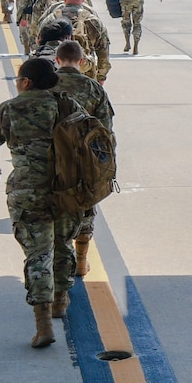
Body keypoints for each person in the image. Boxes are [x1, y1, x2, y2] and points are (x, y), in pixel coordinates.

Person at [0, 57, 89, 348]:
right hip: (67, 192)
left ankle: (44, 324)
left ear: (26, 82)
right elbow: (92, 139)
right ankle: (61, 299)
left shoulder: (10, 108)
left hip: (28, 193)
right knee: (62, 245)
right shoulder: (67, 105)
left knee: (38, 255)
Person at [48, 40, 114, 284]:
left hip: (51, 160)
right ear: (83, 62)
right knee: (85, 207)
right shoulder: (93, 89)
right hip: (83, 163)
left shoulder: (45, 86)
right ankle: (81, 260)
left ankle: (55, 268)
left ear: (57, 60)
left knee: (53, 215)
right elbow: (105, 131)